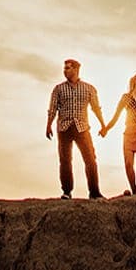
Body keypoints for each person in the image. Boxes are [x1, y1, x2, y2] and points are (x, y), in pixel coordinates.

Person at [44, 58, 109, 198]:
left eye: (68, 68)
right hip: (64, 128)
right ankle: (67, 191)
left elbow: (96, 108)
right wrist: (48, 125)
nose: (65, 71)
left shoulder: (89, 88)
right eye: (64, 68)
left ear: (76, 69)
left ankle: (94, 192)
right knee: (65, 160)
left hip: (82, 128)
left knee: (90, 159)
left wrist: (103, 125)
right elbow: (53, 108)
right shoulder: (58, 89)